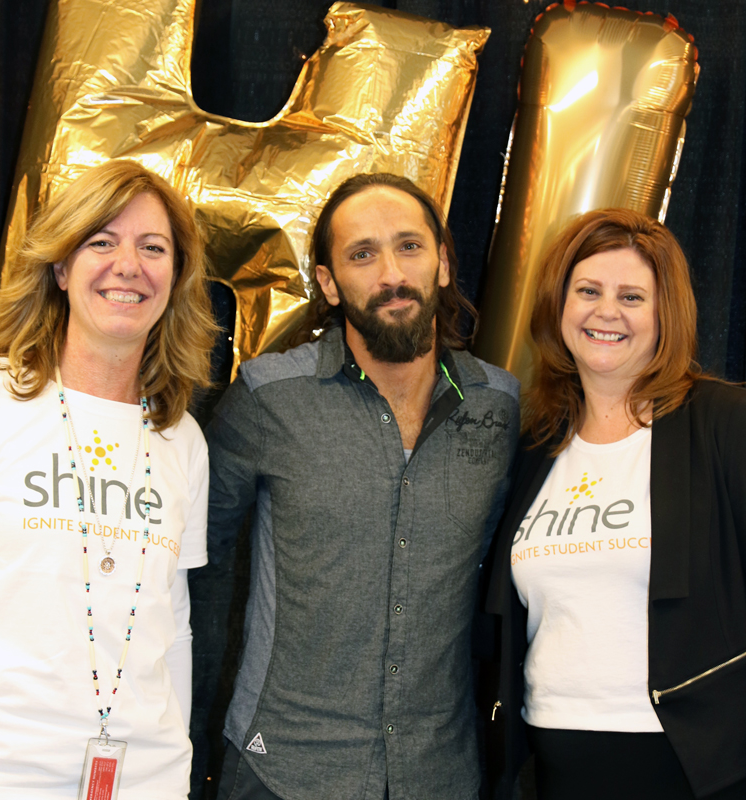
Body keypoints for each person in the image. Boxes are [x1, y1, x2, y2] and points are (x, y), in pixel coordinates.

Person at [205, 173, 519, 800]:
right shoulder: (269, 398)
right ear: (327, 282)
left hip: (441, 774)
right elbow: (196, 570)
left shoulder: (501, 406)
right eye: (362, 254)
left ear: (444, 263)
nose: (391, 274)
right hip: (282, 771)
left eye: (409, 247)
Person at [0, 160, 218, 800]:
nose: (129, 265)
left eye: (153, 248)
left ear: (175, 278)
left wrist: (173, 776)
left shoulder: (182, 440)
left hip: (143, 783)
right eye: (101, 241)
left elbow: (172, 625)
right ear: (61, 269)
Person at [483, 208, 746, 800]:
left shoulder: (723, 424)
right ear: (560, 305)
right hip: (554, 763)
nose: (607, 312)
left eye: (632, 296)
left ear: (664, 314)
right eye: (588, 291)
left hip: (693, 769)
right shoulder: (536, 446)